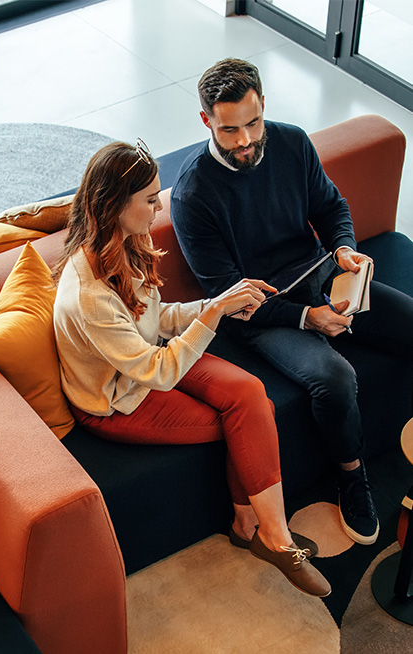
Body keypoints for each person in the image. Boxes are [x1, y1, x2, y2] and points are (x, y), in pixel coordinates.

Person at [52, 139, 331, 598]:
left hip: (151, 357)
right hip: (115, 402)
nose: (158, 207)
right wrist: (212, 316)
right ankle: (274, 539)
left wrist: (217, 302)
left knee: (250, 395)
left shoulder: (126, 241)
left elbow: (156, 318)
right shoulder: (89, 296)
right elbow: (158, 373)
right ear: (115, 205)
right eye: (149, 199)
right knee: (242, 419)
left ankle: (250, 527)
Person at [170, 58, 413, 547]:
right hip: (258, 313)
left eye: (253, 123)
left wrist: (342, 245)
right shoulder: (192, 195)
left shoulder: (292, 141)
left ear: (264, 106)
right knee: (334, 379)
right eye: (230, 129)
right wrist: (307, 318)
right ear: (206, 122)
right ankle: (352, 477)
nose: (244, 141)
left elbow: (330, 205)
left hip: (320, 275)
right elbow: (229, 295)